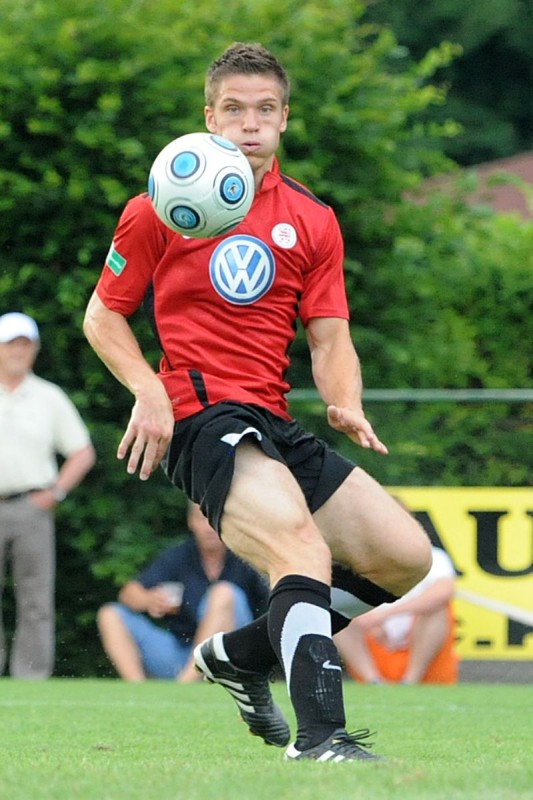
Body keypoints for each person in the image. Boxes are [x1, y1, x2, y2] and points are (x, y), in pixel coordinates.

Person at [83, 42, 432, 762]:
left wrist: (344, 400)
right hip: (200, 415)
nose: (250, 123)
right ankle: (321, 737)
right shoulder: (160, 206)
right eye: (234, 109)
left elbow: (330, 338)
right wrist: (148, 390)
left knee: (404, 558)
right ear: (209, 118)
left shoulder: (312, 218)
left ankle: (240, 656)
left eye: (265, 109)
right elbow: (102, 315)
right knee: (300, 549)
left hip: (271, 418)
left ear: (284, 119)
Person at [0, 311, 96, 679]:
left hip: (32, 507)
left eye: (25, 344)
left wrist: (55, 492)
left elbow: (82, 451)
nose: (18, 351)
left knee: (36, 599)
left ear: (35, 350)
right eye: (11, 344)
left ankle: (31, 678)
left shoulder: (48, 396)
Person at [97, 502, 269, 682]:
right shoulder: (179, 556)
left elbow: (275, 607)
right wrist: (148, 600)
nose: (208, 527)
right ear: (191, 522)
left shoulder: (247, 557)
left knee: (223, 593)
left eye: (214, 518)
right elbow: (128, 593)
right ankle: (138, 689)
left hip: (235, 657)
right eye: (202, 519)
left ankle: (187, 683)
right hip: (180, 654)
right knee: (109, 614)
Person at [335, 546, 458, 685]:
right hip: (374, 648)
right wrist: (366, 620)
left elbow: (444, 592)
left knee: (437, 610)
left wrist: (385, 615)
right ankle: (373, 681)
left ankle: (410, 681)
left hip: (422, 655)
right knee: (338, 614)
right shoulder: (359, 557)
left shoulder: (433, 556)